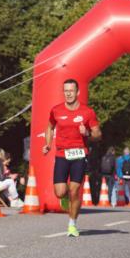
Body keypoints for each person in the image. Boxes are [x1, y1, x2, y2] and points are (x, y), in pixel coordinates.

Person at [43, 78, 101, 237]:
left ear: (77, 92)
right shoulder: (56, 110)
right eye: (66, 91)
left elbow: (98, 134)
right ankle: (66, 198)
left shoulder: (87, 112)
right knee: (60, 192)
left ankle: (72, 224)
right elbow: (49, 127)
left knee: (75, 190)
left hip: (79, 154)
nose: (68, 94)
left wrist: (87, 133)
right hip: (62, 154)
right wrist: (48, 144)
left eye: (71, 91)